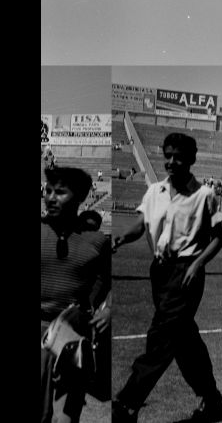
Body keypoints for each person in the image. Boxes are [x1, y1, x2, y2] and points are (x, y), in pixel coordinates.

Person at [112, 133, 222, 423]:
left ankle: (127, 403)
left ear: (191, 159)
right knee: (184, 340)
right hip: (160, 272)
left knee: (161, 336)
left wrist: (197, 264)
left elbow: (217, 239)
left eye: (178, 156)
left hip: (186, 273)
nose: (171, 161)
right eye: (167, 155)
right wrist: (121, 238)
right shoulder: (155, 191)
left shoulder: (204, 196)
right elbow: (142, 223)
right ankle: (211, 397)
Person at [41, 167, 111, 423]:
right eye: (48, 190)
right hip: (41, 330)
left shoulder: (96, 241)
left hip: (73, 337)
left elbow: (108, 282)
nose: (50, 198)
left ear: (81, 196)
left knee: (66, 418)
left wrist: (108, 309)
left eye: (60, 192)